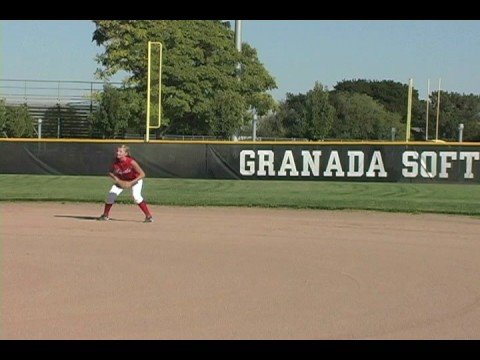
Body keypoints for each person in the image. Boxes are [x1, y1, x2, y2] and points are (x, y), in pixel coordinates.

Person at [98, 144, 154, 223]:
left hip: (135, 180)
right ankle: (105, 215)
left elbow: (142, 174)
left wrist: (131, 183)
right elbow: (110, 172)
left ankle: (148, 216)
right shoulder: (114, 161)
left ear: (126, 153)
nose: (118, 153)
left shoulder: (131, 162)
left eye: (121, 151)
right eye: (117, 151)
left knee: (136, 196)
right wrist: (117, 180)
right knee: (110, 196)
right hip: (121, 181)